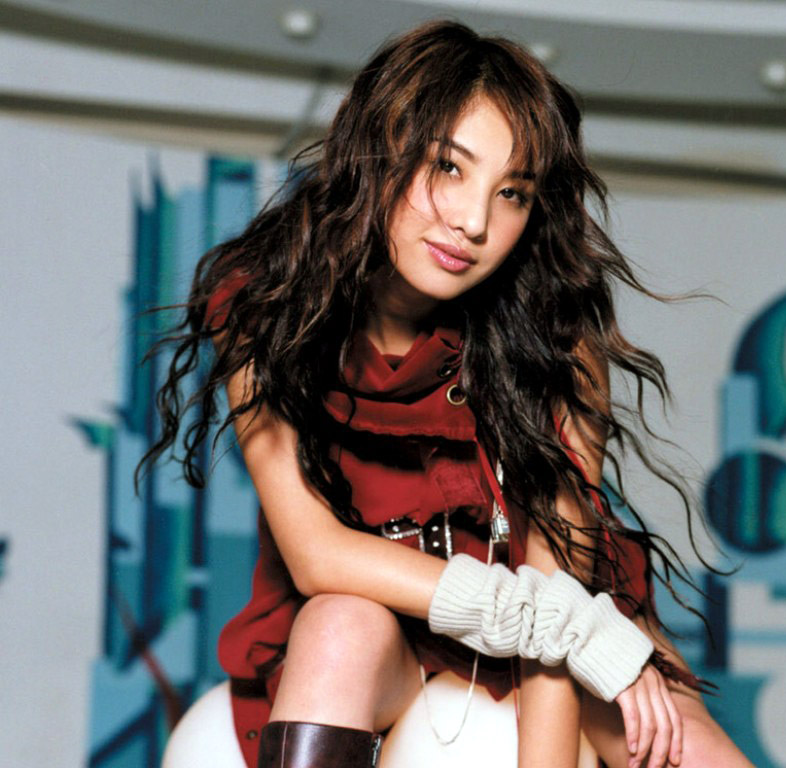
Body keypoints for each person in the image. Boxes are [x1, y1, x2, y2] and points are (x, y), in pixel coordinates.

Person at [144, 20, 752, 768]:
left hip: (564, 640)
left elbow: (556, 579)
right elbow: (317, 555)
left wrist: (571, 639)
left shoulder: (556, 339)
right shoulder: (267, 309)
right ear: (379, 148)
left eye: (512, 193)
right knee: (339, 624)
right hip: (387, 632)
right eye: (448, 167)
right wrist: (544, 617)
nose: (473, 222)